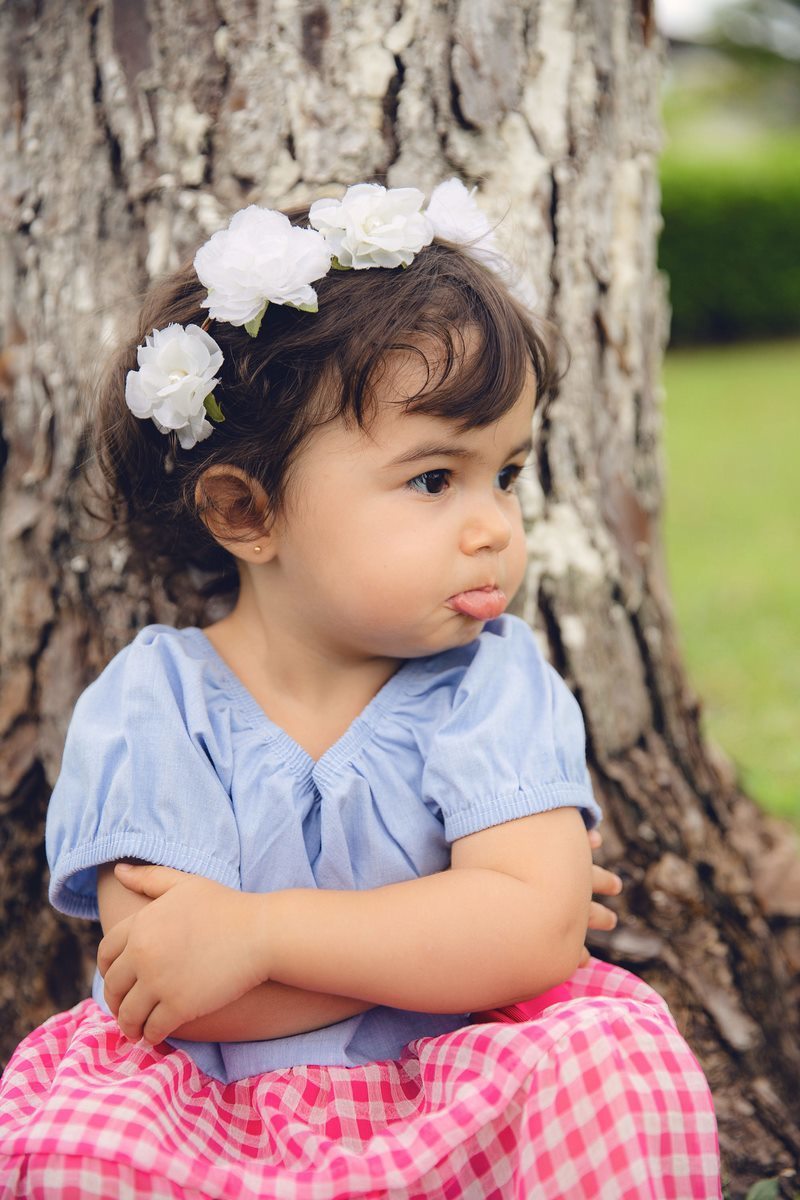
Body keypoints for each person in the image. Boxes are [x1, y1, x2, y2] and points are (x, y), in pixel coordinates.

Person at [0, 180, 721, 1199]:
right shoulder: (155, 702)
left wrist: (254, 934)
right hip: (215, 1114)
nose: (492, 527)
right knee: (82, 1148)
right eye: (434, 480)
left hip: (464, 1084)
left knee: (607, 1064)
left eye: (505, 474)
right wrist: (458, 929)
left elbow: (534, 935)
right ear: (245, 512)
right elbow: (171, 992)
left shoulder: (490, 682)